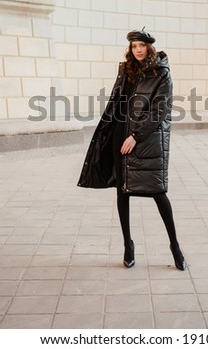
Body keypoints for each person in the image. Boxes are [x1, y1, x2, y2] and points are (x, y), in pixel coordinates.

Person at [77, 28, 186, 271]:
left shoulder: (161, 73)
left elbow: (160, 111)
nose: (137, 49)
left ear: (149, 47)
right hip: (119, 136)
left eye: (141, 45)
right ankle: (128, 245)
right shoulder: (125, 70)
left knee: (158, 191)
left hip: (145, 139)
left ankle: (175, 246)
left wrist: (135, 135)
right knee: (122, 191)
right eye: (134, 45)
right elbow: (117, 103)